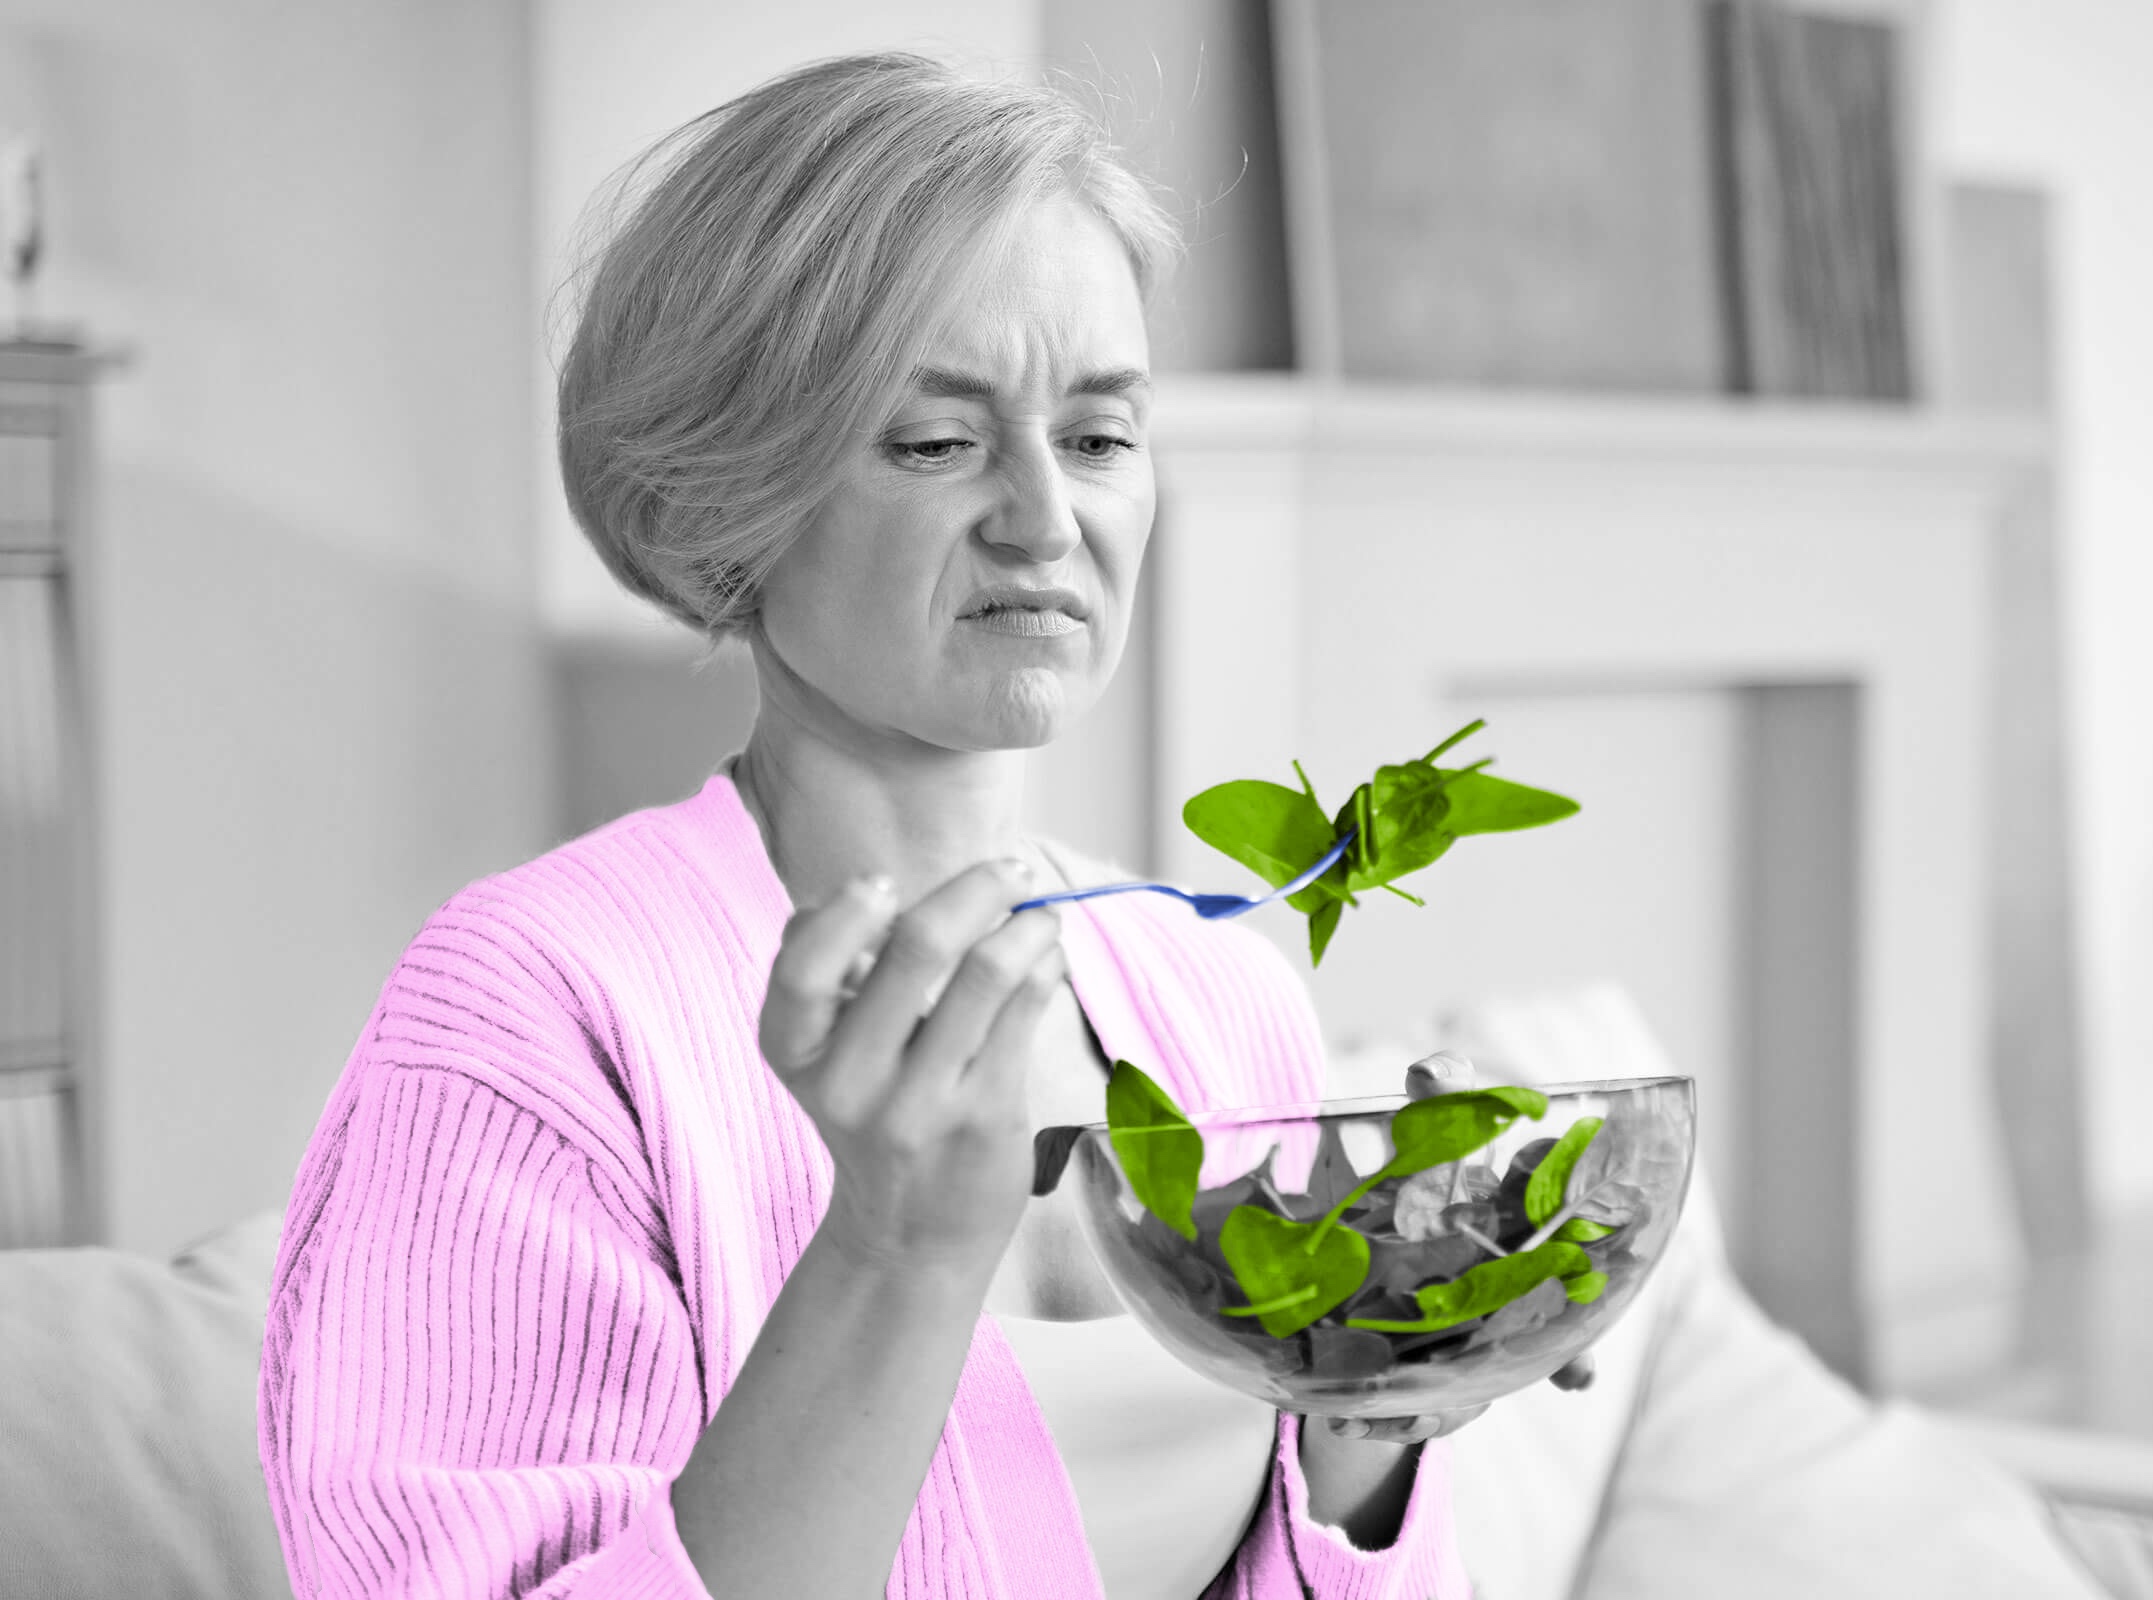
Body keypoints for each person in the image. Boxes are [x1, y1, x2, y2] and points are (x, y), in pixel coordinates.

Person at [258, 50, 1550, 1599]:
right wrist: (889, 1257)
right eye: (938, 442)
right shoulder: (534, 1017)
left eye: (1099, 436)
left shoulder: (1226, 1001)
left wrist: (1381, 1414)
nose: (1045, 519)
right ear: (729, 497)